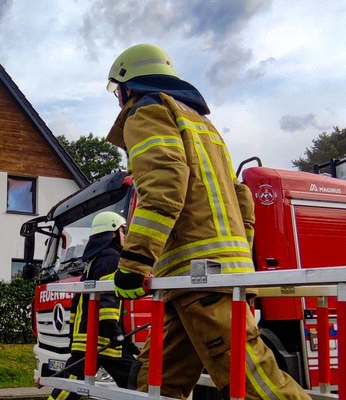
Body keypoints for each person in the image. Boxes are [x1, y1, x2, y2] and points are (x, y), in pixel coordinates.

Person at [105, 43, 309, 399]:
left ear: (127, 87)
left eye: (116, 91)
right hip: (199, 277)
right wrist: (237, 260)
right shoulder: (203, 124)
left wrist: (134, 263)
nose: (118, 100)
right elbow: (242, 198)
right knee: (155, 382)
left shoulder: (147, 111)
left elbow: (165, 184)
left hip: (197, 274)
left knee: (256, 383)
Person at [47, 211, 138, 400]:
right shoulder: (111, 258)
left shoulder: (95, 260)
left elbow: (78, 302)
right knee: (136, 382)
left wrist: (74, 337)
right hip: (101, 338)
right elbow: (108, 298)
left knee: (72, 384)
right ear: (112, 233)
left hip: (89, 337)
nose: (126, 236)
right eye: (123, 231)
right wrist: (114, 332)